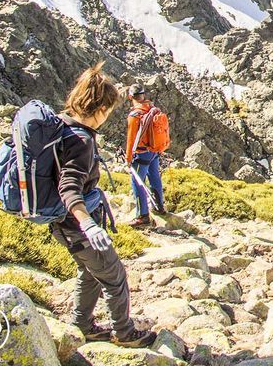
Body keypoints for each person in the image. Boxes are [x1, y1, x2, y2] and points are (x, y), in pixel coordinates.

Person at [51, 63, 156, 348]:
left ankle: (82, 324)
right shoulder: (81, 140)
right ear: (98, 108)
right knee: (115, 275)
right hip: (77, 226)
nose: (107, 117)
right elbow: (69, 187)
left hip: (62, 226)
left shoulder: (62, 125)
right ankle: (125, 333)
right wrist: (87, 223)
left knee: (90, 271)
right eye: (107, 111)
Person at [125, 84, 165, 227]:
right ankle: (159, 206)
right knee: (154, 175)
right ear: (143, 95)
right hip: (154, 150)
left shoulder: (135, 115)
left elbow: (131, 139)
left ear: (130, 96)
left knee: (137, 182)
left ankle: (142, 215)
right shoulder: (152, 109)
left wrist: (128, 157)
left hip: (141, 153)